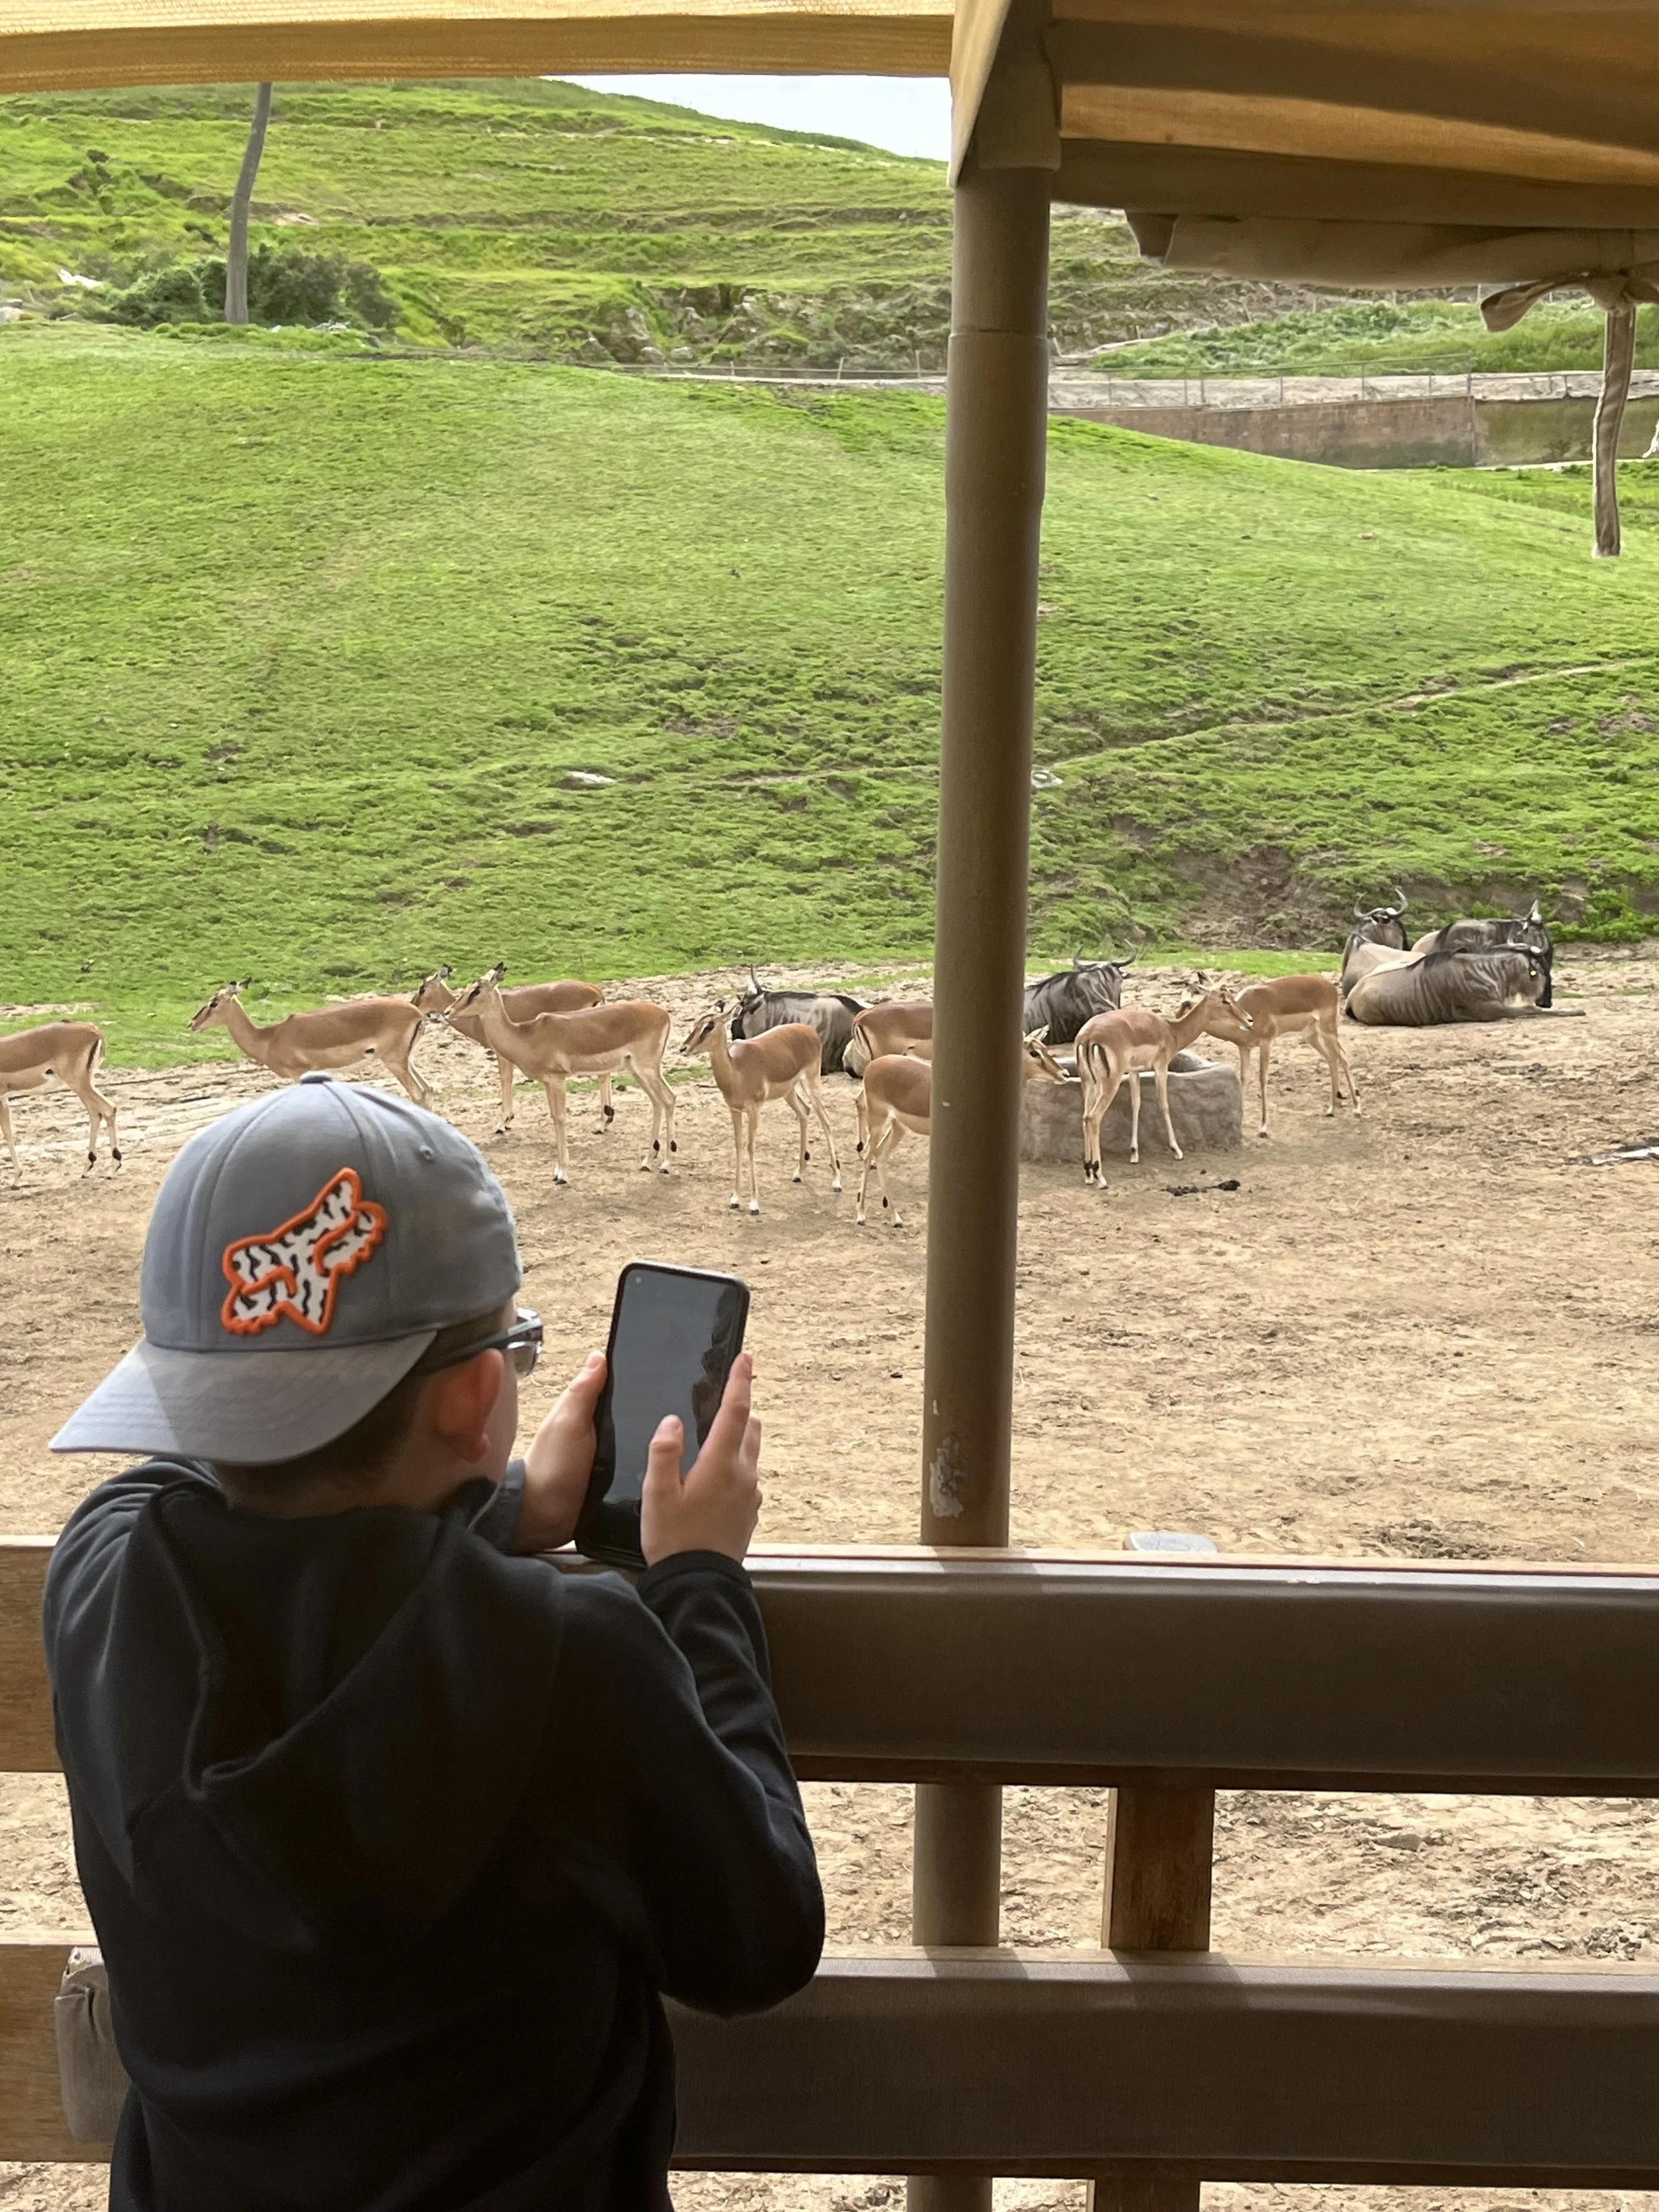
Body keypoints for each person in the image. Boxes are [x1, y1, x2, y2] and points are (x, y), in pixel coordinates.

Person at [43, 1072, 824, 2212]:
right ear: (473, 1397)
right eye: (519, 1345)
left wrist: (492, 1498)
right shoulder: (569, 1653)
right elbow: (760, 1943)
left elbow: (186, 1489)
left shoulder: (102, 1578)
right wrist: (699, 1578)